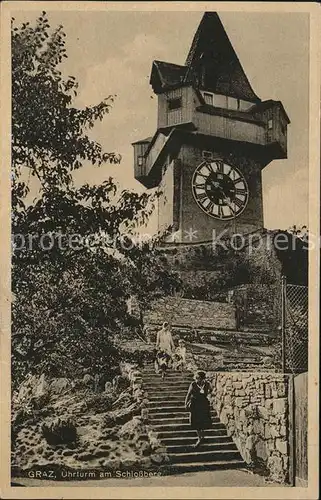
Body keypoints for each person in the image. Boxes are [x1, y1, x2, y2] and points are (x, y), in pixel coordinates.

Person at [184, 370, 212, 448]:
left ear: (203, 378)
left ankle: (202, 436)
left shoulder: (207, 384)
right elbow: (188, 394)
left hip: (203, 404)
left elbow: (211, 391)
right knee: (195, 421)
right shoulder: (193, 384)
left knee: (203, 421)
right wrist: (186, 403)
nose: (196, 379)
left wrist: (209, 396)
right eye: (196, 378)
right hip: (195, 404)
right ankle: (199, 438)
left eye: (198, 378)